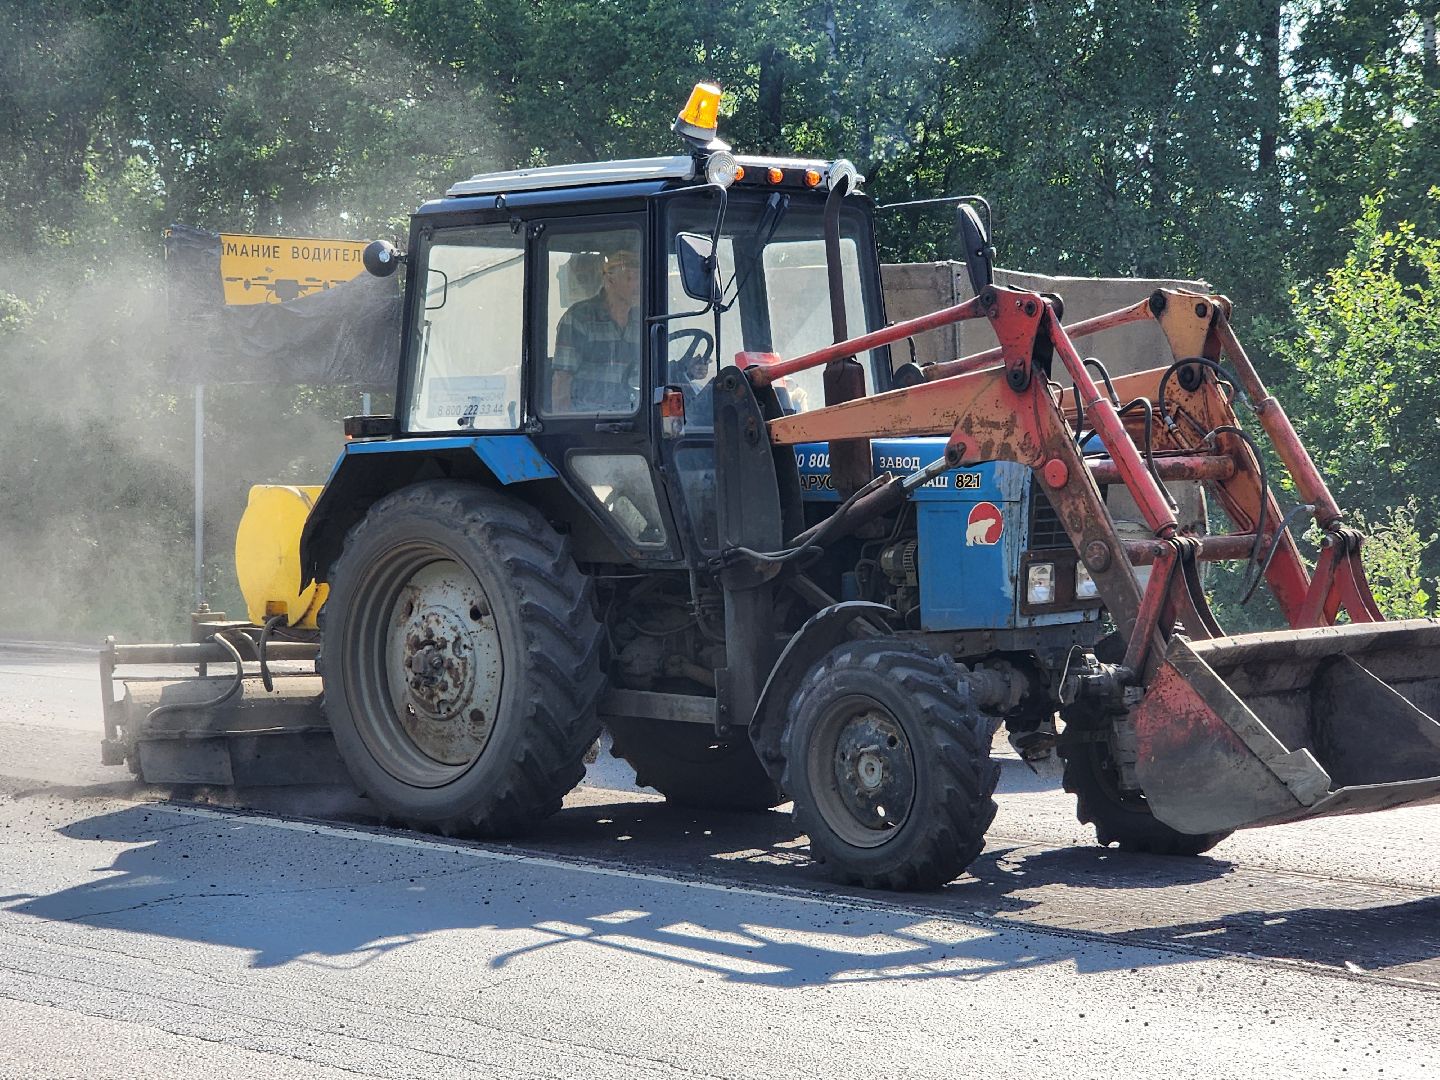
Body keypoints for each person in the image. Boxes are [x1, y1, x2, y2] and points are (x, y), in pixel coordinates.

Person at [551, 247, 642, 412]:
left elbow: (646, 371)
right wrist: (564, 427)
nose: (638, 285)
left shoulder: (642, 321)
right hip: (589, 420)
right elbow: (562, 380)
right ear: (609, 282)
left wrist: (688, 370)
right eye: (630, 278)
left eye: (640, 278)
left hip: (632, 417)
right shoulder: (579, 319)